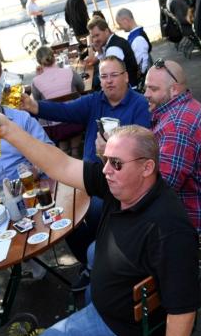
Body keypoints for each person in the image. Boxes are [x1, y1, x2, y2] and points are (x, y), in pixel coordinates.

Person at [0, 119, 201, 336]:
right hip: (115, 301)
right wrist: (8, 131)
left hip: (125, 325)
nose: (105, 170)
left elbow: (184, 308)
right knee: (92, 251)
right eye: (105, 161)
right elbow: (61, 165)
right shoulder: (123, 187)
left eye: (116, 163)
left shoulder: (169, 230)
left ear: (146, 168)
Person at [21, 56, 151, 264]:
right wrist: (34, 106)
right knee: (63, 218)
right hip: (87, 175)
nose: (108, 81)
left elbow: (142, 151)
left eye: (114, 75)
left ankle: (100, 260)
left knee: (86, 214)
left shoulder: (139, 105)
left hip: (118, 182)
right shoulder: (95, 100)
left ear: (126, 77)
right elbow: (65, 110)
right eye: (104, 76)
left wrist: (108, 152)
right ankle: (89, 265)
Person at [143, 60, 201, 246]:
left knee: (103, 243)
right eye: (145, 88)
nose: (146, 94)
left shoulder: (177, 126)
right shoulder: (187, 105)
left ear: (174, 90)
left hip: (199, 222)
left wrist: (112, 158)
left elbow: (160, 190)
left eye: (152, 89)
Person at [31, 46, 85, 158]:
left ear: (38, 62)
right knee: (73, 110)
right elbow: (82, 88)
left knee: (53, 116)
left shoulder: (36, 81)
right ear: (54, 57)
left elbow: (37, 103)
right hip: (75, 121)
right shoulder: (69, 72)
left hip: (54, 128)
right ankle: (75, 151)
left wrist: (38, 77)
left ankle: (65, 153)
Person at [86, 18, 141, 89]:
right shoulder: (112, 41)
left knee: (92, 86)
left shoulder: (113, 49)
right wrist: (99, 52)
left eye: (97, 35)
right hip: (123, 86)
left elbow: (107, 76)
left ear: (106, 31)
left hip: (128, 90)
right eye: (93, 37)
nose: (95, 40)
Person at [114, 8, 152, 75]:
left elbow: (142, 68)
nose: (120, 27)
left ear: (125, 21)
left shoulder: (138, 39)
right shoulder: (136, 35)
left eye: (120, 24)